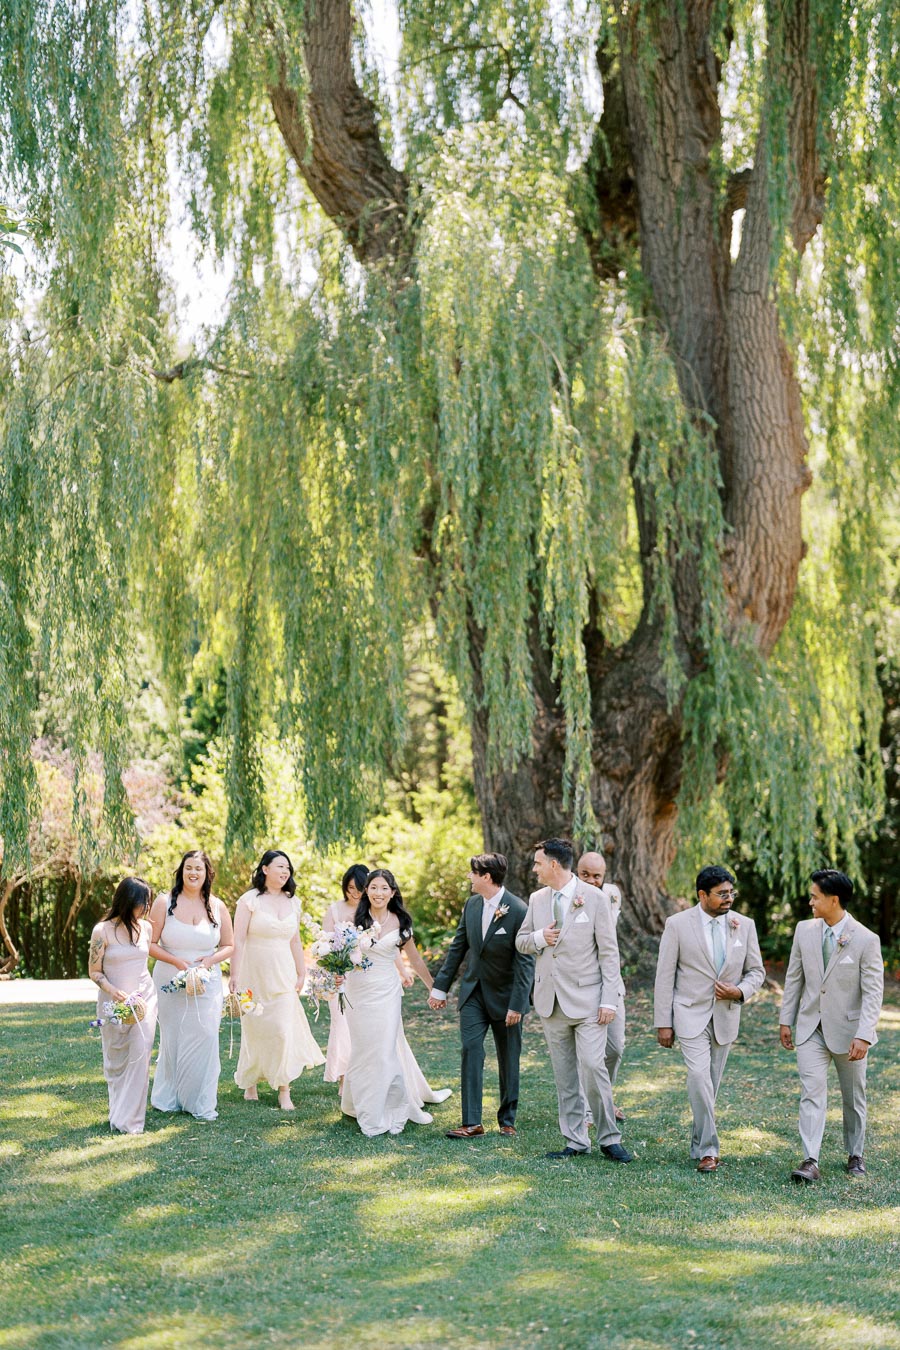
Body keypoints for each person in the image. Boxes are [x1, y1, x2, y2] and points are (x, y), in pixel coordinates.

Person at [516, 838, 632, 1163]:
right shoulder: (537, 899)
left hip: (589, 1001)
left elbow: (610, 954)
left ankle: (609, 1138)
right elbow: (521, 941)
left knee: (594, 1067)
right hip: (550, 1002)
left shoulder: (595, 899)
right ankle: (575, 1140)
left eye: (538, 863)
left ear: (554, 864)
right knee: (564, 1075)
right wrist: (540, 938)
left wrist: (609, 1000)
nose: (535, 868)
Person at [654, 864, 765, 1172]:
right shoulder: (677, 924)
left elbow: (757, 971)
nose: (728, 899)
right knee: (699, 1078)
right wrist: (663, 1022)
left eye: (731, 892)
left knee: (709, 1086)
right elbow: (665, 975)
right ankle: (710, 1150)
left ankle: (698, 1143)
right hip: (689, 1013)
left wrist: (739, 991)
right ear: (702, 894)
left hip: (726, 1015)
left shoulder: (745, 925)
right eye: (721, 894)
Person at [779, 869, 884, 1182]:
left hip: (850, 1033)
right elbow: (794, 977)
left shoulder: (866, 939)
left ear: (834, 900)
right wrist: (787, 1019)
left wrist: (864, 1036)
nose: (810, 901)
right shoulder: (803, 930)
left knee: (853, 1096)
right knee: (811, 1092)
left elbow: (873, 992)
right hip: (810, 1028)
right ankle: (811, 1159)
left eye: (815, 896)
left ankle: (855, 1154)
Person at [429, 853, 534, 1139]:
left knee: (509, 1058)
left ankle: (507, 1120)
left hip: (506, 997)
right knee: (471, 1050)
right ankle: (472, 1122)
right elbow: (458, 947)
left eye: (472, 873)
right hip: (473, 992)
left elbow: (525, 961)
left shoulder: (519, 909)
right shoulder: (472, 905)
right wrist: (440, 988)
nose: (469, 878)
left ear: (486, 876)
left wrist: (518, 1004)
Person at [341, 869, 443, 1136]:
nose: (378, 893)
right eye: (373, 887)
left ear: (393, 892)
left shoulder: (401, 921)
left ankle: (390, 1107)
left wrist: (434, 987)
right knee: (364, 1049)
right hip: (358, 992)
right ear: (367, 891)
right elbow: (345, 955)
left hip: (386, 992)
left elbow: (416, 959)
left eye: (384, 888)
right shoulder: (356, 920)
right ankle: (362, 1105)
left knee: (385, 1049)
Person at [231, 849, 325, 1110]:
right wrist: (235, 975)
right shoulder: (249, 900)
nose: (285, 872)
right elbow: (238, 939)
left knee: (283, 1030)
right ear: (265, 869)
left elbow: (295, 940)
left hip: (283, 971)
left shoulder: (293, 902)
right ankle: (250, 1081)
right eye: (280, 867)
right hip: (254, 971)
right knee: (256, 1028)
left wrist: (302, 971)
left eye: (288, 868)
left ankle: (284, 1089)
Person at [149, 850, 234, 1122]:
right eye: (188, 868)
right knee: (173, 1037)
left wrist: (209, 961)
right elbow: (149, 944)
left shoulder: (218, 906)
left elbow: (230, 945)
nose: (193, 873)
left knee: (207, 1035)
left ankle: (199, 1100)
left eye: (198, 868)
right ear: (181, 871)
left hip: (206, 981)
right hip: (169, 980)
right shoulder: (164, 902)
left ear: (208, 873)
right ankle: (170, 1097)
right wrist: (176, 962)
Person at [88, 876, 158, 1134]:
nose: (144, 909)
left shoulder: (146, 929)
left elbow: (141, 964)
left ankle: (132, 1122)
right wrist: (113, 991)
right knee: (116, 1058)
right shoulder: (102, 930)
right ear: (127, 902)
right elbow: (94, 971)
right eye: (141, 903)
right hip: (112, 1002)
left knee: (140, 1055)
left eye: (147, 903)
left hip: (144, 999)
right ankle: (117, 1111)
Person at [576, 851, 626, 1121]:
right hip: (581, 985)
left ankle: (604, 1097)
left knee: (615, 1048)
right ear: (576, 871)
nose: (592, 881)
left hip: (611, 983)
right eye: (585, 874)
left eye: (597, 876)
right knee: (587, 1054)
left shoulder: (611, 895)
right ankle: (588, 1109)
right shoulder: (568, 895)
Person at [321, 863, 370, 1086]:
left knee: (363, 1025)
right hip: (339, 974)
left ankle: (362, 1073)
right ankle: (343, 1077)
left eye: (360, 888)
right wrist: (334, 970)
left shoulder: (371, 911)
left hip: (365, 973)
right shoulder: (335, 909)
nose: (355, 893)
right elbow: (325, 942)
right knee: (341, 1025)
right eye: (351, 887)